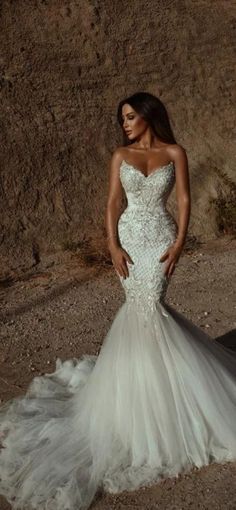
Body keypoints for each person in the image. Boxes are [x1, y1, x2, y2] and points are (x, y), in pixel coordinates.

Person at [0, 91, 236, 510]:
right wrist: (111, 245)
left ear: (147, 116)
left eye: (130, 116)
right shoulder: (119, 156)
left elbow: (182, 200)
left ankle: (161, 399)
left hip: (161, 238)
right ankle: (141, 398)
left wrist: (180, 243)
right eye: (122, 119)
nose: (125, 124)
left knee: (152, 307)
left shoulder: (174, 151)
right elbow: (112, 203)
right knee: (140, 310)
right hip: (129, 236)